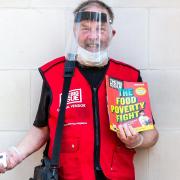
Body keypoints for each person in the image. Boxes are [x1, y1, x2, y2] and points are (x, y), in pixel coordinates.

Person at [0, 0, 159, 179]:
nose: (93, 36)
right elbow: (41, 129)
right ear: (75, 32)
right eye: (85, 28)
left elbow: (151, 134)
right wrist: (13, 156)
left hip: (117, 175)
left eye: (100, 29)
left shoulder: (129, 76)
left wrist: (137, 140)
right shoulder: (54, 75)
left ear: (112, 33)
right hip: (69, 175)